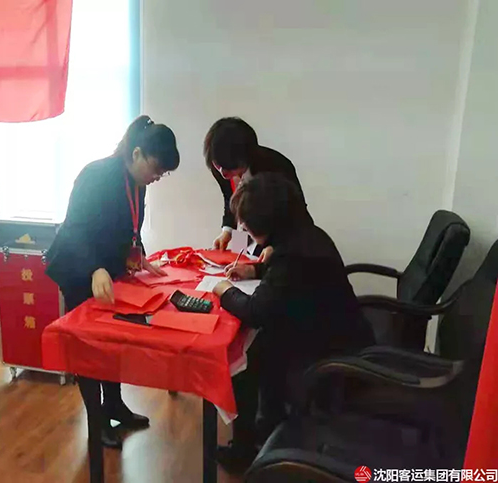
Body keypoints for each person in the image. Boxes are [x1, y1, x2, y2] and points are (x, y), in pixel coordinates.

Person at [211, 174, 374, 472]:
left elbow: (257, 311)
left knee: (245, 357)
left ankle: (245, 449)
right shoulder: (305, 235)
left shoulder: (292, 255)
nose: (243, 227)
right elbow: (290, 281)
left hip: (328, 348)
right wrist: (256, 272)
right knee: (259, 344)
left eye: (246, 223)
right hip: (337, 328)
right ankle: (267, 425)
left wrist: (224, 292)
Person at [46, 115, 180, 449]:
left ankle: (115, 405)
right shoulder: (96, 175)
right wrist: (94, 268)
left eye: (162, 173)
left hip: (108, 270)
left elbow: (130, 226)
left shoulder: (136, 182)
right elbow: (74, 229)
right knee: (88, 347)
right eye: (156, 168)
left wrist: (139, 255)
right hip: (79, 269)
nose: (156, 177)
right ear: (136, 154)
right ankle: (98, 421)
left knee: (111, 340)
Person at [204, 117, 306, 263]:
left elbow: (296, 214)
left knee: (265, 270)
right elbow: (230, 199)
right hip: (244, 232)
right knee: (239, 264)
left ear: (244, 157)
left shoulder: (276, 166)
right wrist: (227, 230)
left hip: (280, 237)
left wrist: (277, 247)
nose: (222, 173)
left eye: (229, 167)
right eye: (217, 165)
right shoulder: (220, 166)